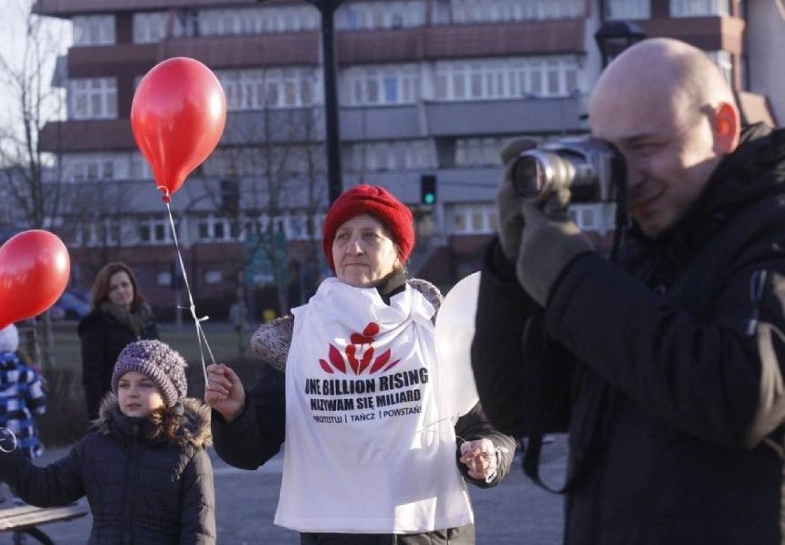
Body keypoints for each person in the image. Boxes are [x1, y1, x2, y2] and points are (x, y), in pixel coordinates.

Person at [472, 37, 785, 543]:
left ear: (721, 127)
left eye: (646, 148)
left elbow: (745, 393)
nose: (628, 178)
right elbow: (526, 405)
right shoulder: (643, 251)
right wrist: (512, 269)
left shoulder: (770, 229)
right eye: (611, 154)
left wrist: (573, 280)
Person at [206, 184, 516, 544]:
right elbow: (252, 449)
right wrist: (236, 413)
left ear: (399, 251)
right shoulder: (299, 338)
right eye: (343, 237)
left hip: (427, 534)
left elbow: (489, 426)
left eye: (370, 236)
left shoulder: (437, 326)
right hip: (335, 534)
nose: (354, 248)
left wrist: (488, 455)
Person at [0, 339, 217, 544]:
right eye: (124, 385)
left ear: (168, 395)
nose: (132, 392)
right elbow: (45, 488)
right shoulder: (96, 447)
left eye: (146, 384)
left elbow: (198, 532)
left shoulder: (187, 453)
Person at [79, 261, 159, 422]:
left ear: (133, 286)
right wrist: (98, 420)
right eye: (113, 288)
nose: (121, 291)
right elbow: (92, 377)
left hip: (150, 410)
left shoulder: (147, 320)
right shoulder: (96, 325)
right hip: (116, 414)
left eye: (125, 284)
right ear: (105, 293)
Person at [0, 324, 47, 459]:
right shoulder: (27, 374)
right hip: (23, 442)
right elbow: (40, 407)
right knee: (23, 478)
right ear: (15, 341)